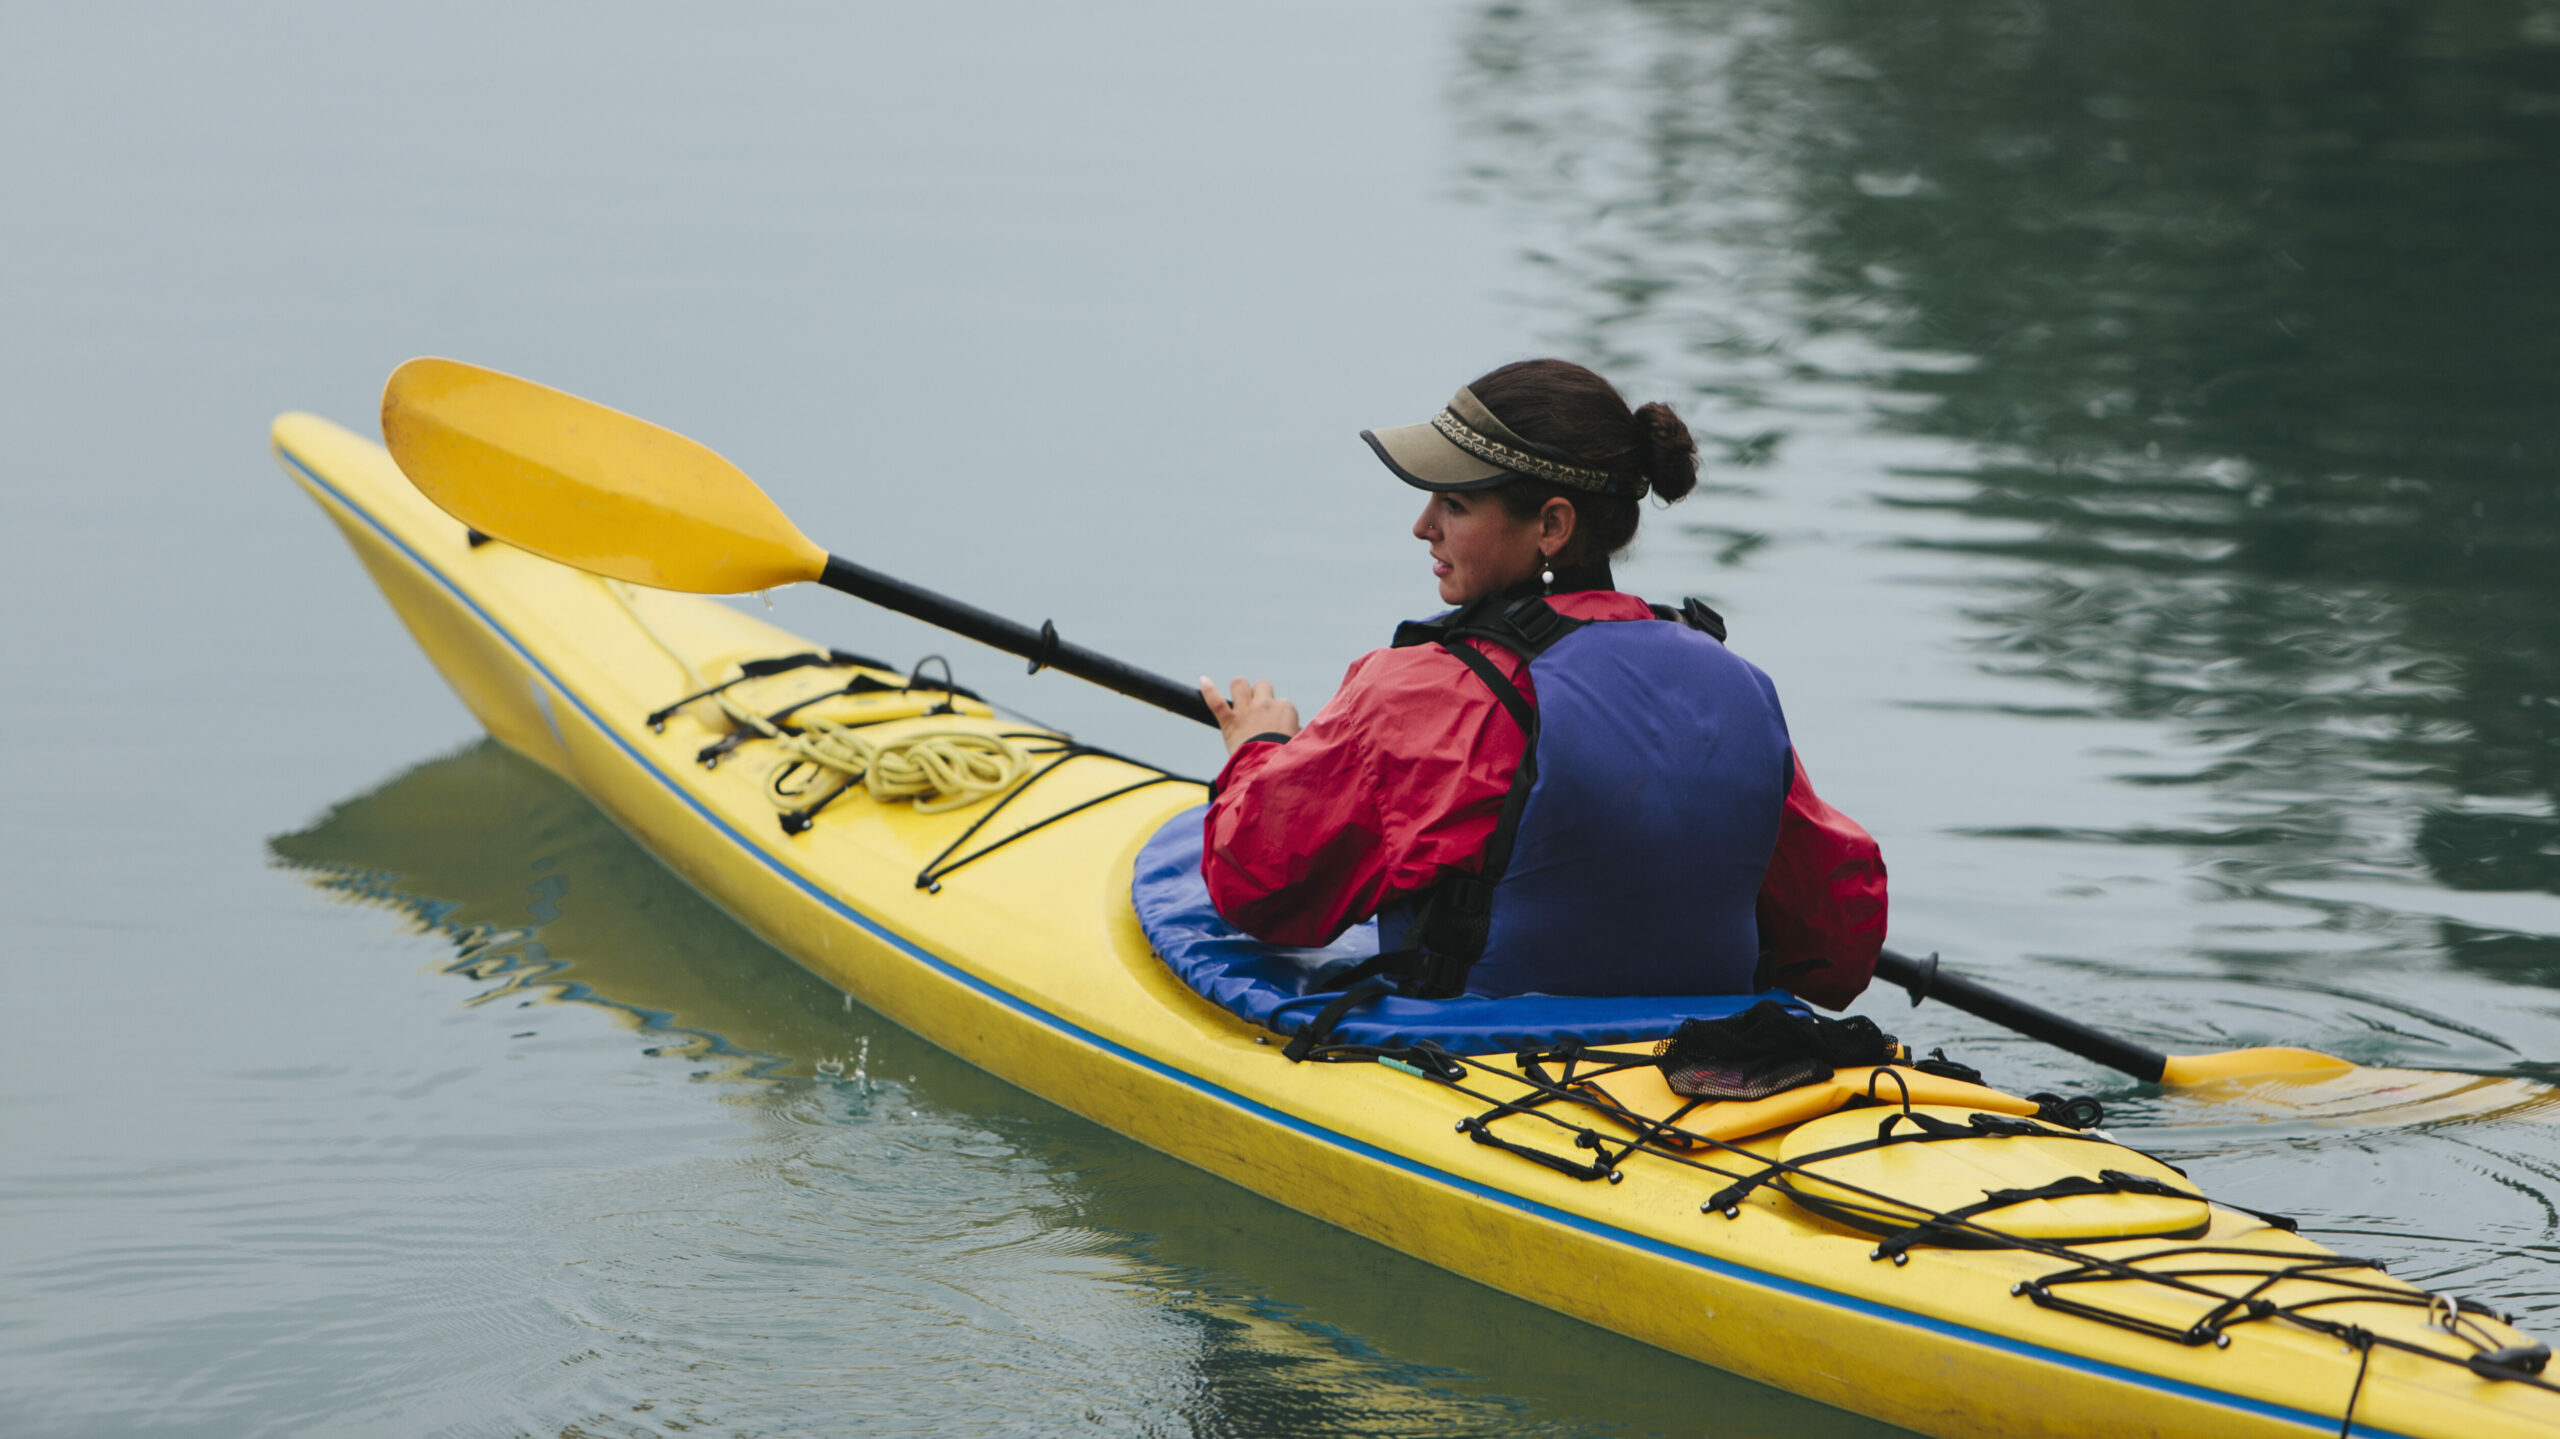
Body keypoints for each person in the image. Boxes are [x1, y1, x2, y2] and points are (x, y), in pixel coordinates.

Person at [1193, 359, 1884, 1009]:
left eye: (1456, 505)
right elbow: (1840, 947)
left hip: (1480, 1066)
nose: (1422, 525)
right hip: (1705, 1068)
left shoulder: (1421, 694)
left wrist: (1259, 749)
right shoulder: (1737, 688)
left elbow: (1256, 882)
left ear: (1552, 525)